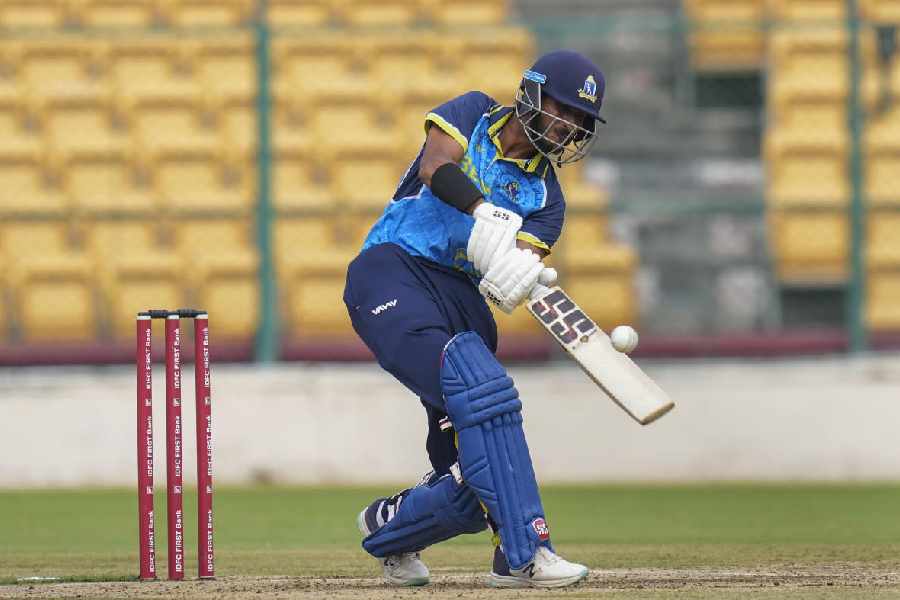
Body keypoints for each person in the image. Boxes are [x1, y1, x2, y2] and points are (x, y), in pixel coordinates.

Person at [343, 49, 606, 589]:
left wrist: (516, 269)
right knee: (477, 380)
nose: (570, 127)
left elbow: (518, 267)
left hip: (463, 295)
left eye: (580, 122)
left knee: (470, 481)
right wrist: (483, 211)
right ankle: (529, 551)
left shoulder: (547, 200)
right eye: (564, 110)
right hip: (393, 267)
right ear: (531, 94)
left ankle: (391, 530)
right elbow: (435, 166)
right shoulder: (475, 113)